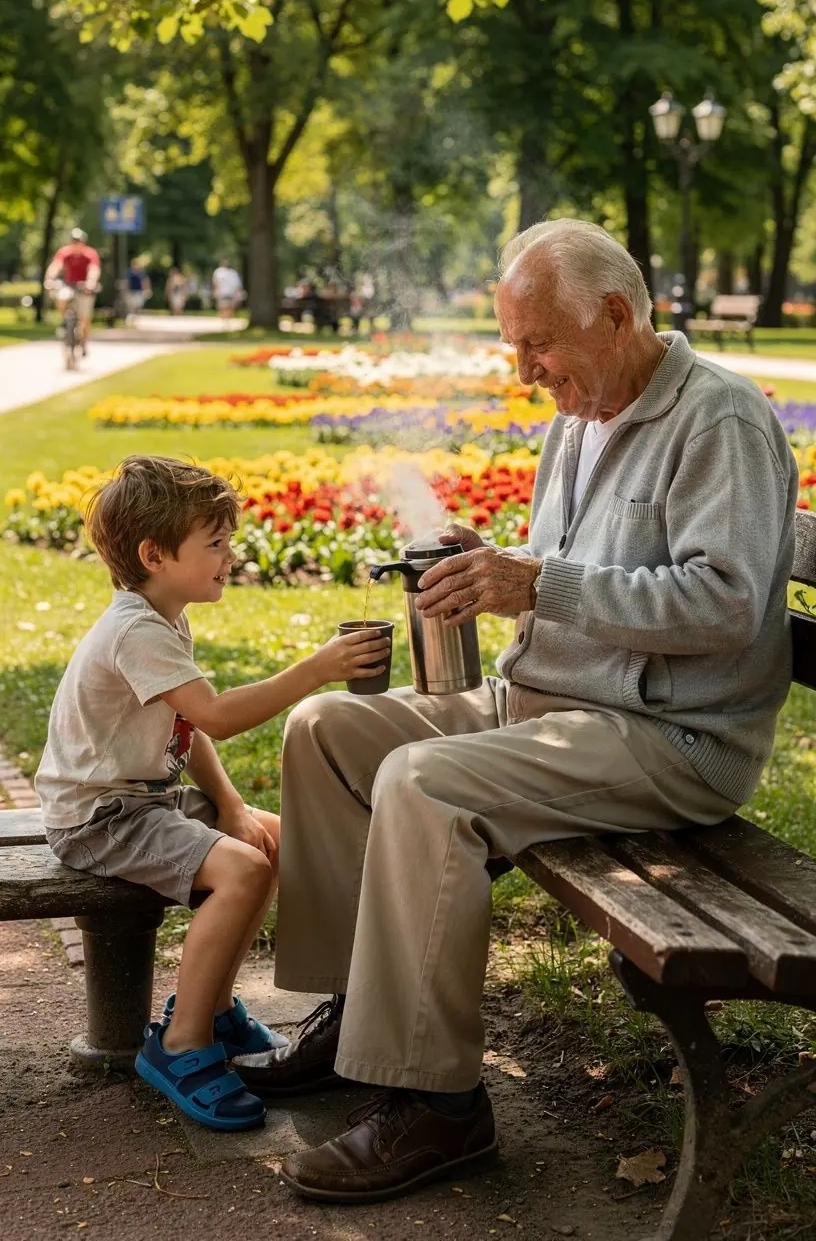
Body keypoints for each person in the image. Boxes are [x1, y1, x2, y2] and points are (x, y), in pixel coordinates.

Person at [234, 217, 799, 1200]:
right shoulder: (580, 416)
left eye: (537, 344)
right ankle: (357, 1009)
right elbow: (577, 570)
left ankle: (439, 1108)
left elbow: (726, 604)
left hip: (669, 737)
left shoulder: (720, 422)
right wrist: (489, 562)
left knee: (424, 783)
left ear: (616, 315)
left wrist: (538, 584)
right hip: (550, 707)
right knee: (325, 731)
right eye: (514, 345)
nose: (525, 368)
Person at [35, 455, 390, 1134]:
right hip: (98, 816)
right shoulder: (137, 631)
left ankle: (217, 1010)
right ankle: (180, 1045)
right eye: (216, 544)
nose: (232, 555)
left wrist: (229, 806)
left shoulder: (161, 617)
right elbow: (218, 716)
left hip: (139, 799)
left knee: (269, 837)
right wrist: (317, 668)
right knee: (243, 868)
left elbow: (187, 727)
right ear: (155, 555)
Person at [45, 228, 101, 354]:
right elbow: (56, 266)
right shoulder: (65, 252)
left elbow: (94, 269)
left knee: (85, 318)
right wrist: (49, 278)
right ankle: (64, 322)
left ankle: (84, 343)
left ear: (83, 242)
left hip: (84, 286)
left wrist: (91, 282)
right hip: (69, 285)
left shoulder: (90, 253)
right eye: (73, 241)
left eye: (78, 241)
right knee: (62, 297)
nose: (75, 243)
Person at [124, 258, 153, 322]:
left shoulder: (141, 272)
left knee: (138, 304)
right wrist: (127, 290)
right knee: (132, 305)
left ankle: (136, 316)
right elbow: (127, 282)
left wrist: (147, 289)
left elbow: (145, 281)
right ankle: (133, 316)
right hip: (131, 291)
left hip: (139, 291)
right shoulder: (129, 272)